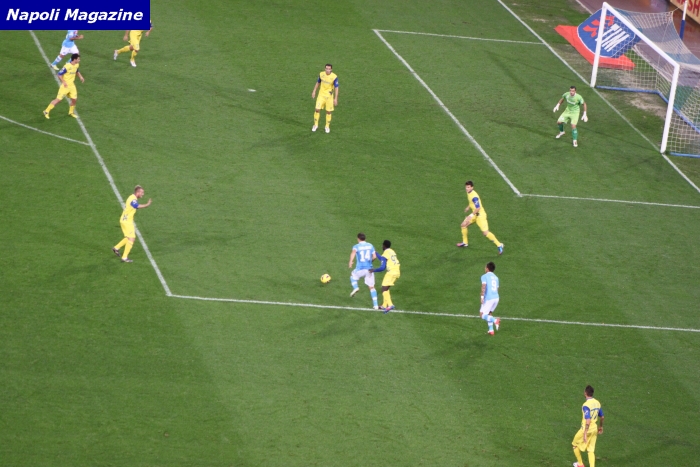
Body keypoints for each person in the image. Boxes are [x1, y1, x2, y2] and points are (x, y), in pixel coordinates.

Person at [457, 181, 504, 254]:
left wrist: (470, 215)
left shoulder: (474, 197)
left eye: (468, 187)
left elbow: (478, 208)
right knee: (463, 225)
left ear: (472, 187)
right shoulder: (469, 193)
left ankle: (499, 245)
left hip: (480, 216)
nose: (467, 188)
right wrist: (468, 207)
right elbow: (471, 202)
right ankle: (465, 242)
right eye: (466, 187)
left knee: (485, 233)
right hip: (475, 214)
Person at [112, 185, 152, 263]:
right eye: (142, 192)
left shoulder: (131, 197)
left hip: (124, 220)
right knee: (132, 238)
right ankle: (124, 257)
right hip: (127, 222)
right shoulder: (133, 199)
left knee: (128, 237)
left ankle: (116, 248)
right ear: (138, 192)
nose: (143, 194)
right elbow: (136, 206)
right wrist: (146, 205)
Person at [43, 54, 84, 119]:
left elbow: (77, 71)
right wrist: (64, 82)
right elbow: (59, 74)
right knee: (58, 100)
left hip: (72, 85)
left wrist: (81, 77)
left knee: (74, 99)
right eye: (78, 59)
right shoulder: (67, 66)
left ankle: (71, 112)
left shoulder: (76, 65)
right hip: (65, 86)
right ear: (74, 59)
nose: (79, 60)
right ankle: (46, 111)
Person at [572, 385, 604, 467]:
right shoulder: (597, 403)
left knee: (575, 444)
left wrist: (585, 433)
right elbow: (602, 417)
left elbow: (588, 420)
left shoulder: (586, 405)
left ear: (585, 393)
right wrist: (601, 427)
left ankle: (580, 464)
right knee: (591, 450)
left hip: (585, 429)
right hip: (594, 429)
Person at [369, 240, 401, 313]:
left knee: (384, 288)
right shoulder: (392, 251)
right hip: (397, 271)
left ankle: (390, 305)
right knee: (386, 288)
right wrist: (376, 253)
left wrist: (374, 270)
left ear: (384, 245)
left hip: (391, 272)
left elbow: (382, 267)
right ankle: (384, 305)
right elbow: (383, 259)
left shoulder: (385, 253)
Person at [349, 233, 379, 309]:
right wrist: (370, 262)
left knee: (352, 275)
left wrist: (351, 261)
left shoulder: (356, 246)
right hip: (369, 269)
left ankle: (355, 287)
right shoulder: (370, 245)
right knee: (372, 287)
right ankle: (376, 305)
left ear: (358, 239)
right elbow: (374, 256)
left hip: (360, 269)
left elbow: (353, 252)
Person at [311, 64, 339, 133]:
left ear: (331, 69)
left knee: (328, 111)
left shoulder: (334, 77)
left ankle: (327, 126)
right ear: (325, 68)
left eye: (329, 69)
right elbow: (318, 83)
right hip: (321, 95)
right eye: (326, 68)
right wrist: (314, 91)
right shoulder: (321, 74)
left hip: (329, 97)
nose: (327, 70)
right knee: (317, 109)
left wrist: (335, 98)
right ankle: (315, 125)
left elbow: (336, 87)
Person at [480, 262, 501, 335]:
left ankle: (495, 320)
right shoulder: (496, 278)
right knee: (489, 313)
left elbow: (483, 286)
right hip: (496, 298)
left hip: (489, 298)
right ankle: (491, 330)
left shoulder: (484, 276)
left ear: (487, 268)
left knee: (482, 314)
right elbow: (497, 289)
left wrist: (482, 297)